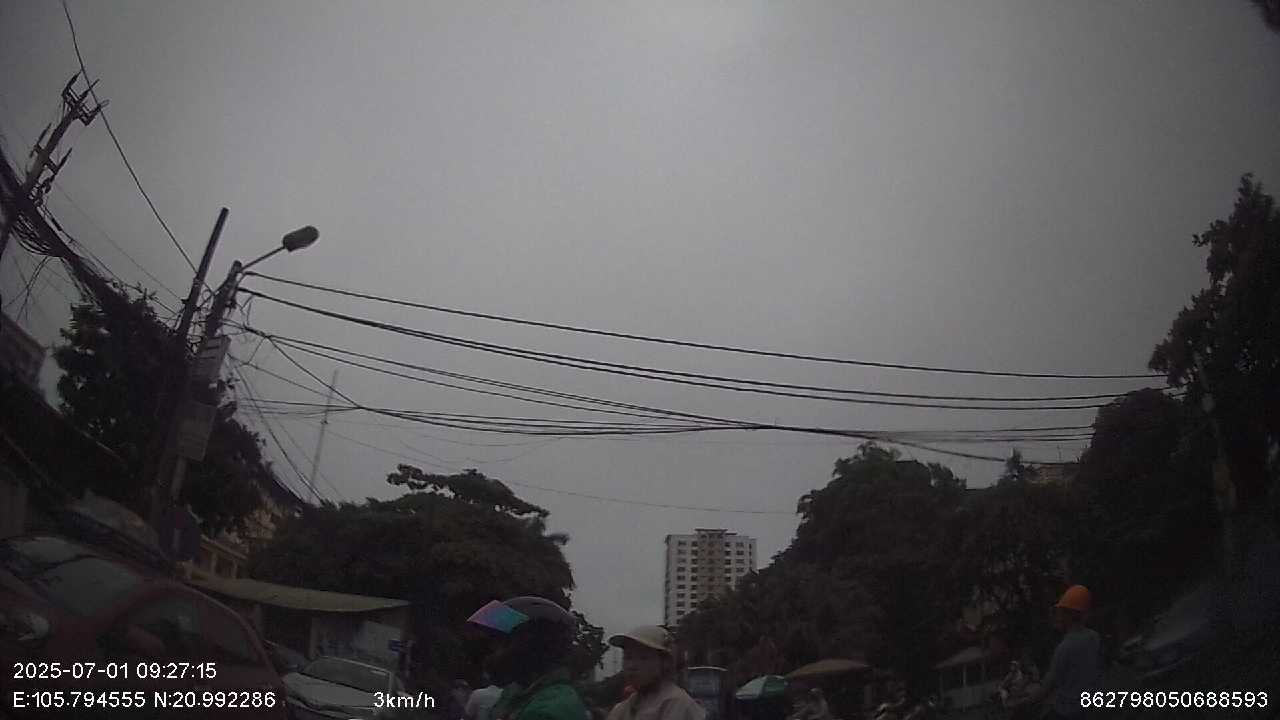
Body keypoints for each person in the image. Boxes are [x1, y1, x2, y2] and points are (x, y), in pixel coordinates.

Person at [467, 596, 590, 720]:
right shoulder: (519, 692)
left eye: (502, 644)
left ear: (529, 648)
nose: (491, 654)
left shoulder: (546, 711)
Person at [1016, 585, 1105, 720]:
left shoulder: (1065, 647)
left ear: (1069, 614)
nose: (1057, 617)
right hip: (1091, 708)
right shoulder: (1095, 637)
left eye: (1060, 613)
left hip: (1069, 712)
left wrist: (1023, 703)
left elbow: (1047, 687)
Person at [605, 626, 705, 720]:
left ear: (665, 662)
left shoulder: (677, 704)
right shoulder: (623, 707)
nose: (632, 666)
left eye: (643, 658)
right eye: (628, 657)